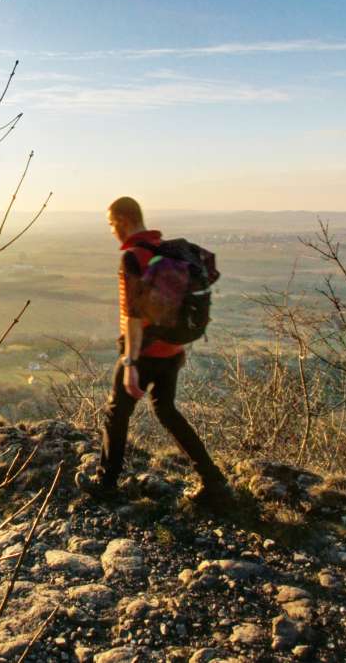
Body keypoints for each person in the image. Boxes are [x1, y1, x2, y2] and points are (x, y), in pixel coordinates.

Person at [77, 196, 231, 508]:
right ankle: (214, 481)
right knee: (167, 411)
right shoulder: (167, 250)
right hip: (171, 350)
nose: (111, 232)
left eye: (111, 224)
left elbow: (134, 314)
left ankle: (106, 483)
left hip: (144, 351)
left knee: (116, 413)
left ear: (122, 220)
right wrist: (178, 345)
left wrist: (131, 361)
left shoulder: (133, 256)